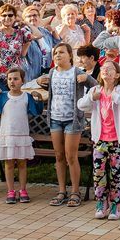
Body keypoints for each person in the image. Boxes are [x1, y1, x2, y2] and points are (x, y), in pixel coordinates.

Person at [37, 43, 97, 207]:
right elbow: (46, 88)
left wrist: (88, 79)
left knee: (71, 156)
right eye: (55, 53)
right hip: (55, 119)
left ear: (70, 55)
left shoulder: (77, 72)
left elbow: (96, 87)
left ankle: (75, 192)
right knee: (59, 156)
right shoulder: (52, 72)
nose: (57, 55)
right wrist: (39, 81)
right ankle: (62, 191)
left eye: (62, 52)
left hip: (72, 120)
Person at [77, 60, 120, 220]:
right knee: (99, 172)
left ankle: (116, 204)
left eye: (110, 69)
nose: (105, 70)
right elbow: (81, 105)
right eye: (103, 68)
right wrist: (91, 98)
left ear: (116, 75)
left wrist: (115, 97)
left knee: (117, 172)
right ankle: (101, 202)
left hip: (117, 139)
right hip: (99, 140)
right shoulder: (95, 90)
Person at [0, 67, 40, 204]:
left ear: (22, 81)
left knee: (22, 164)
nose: (12, 81)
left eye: (15, 79)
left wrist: (38, 99)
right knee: (9, 163)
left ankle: (23, 190)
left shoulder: (26, 97)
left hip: (22, 135)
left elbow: (37, 111)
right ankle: (10, 190)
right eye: (9, 79)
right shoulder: (3, 96)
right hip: (7, 135)